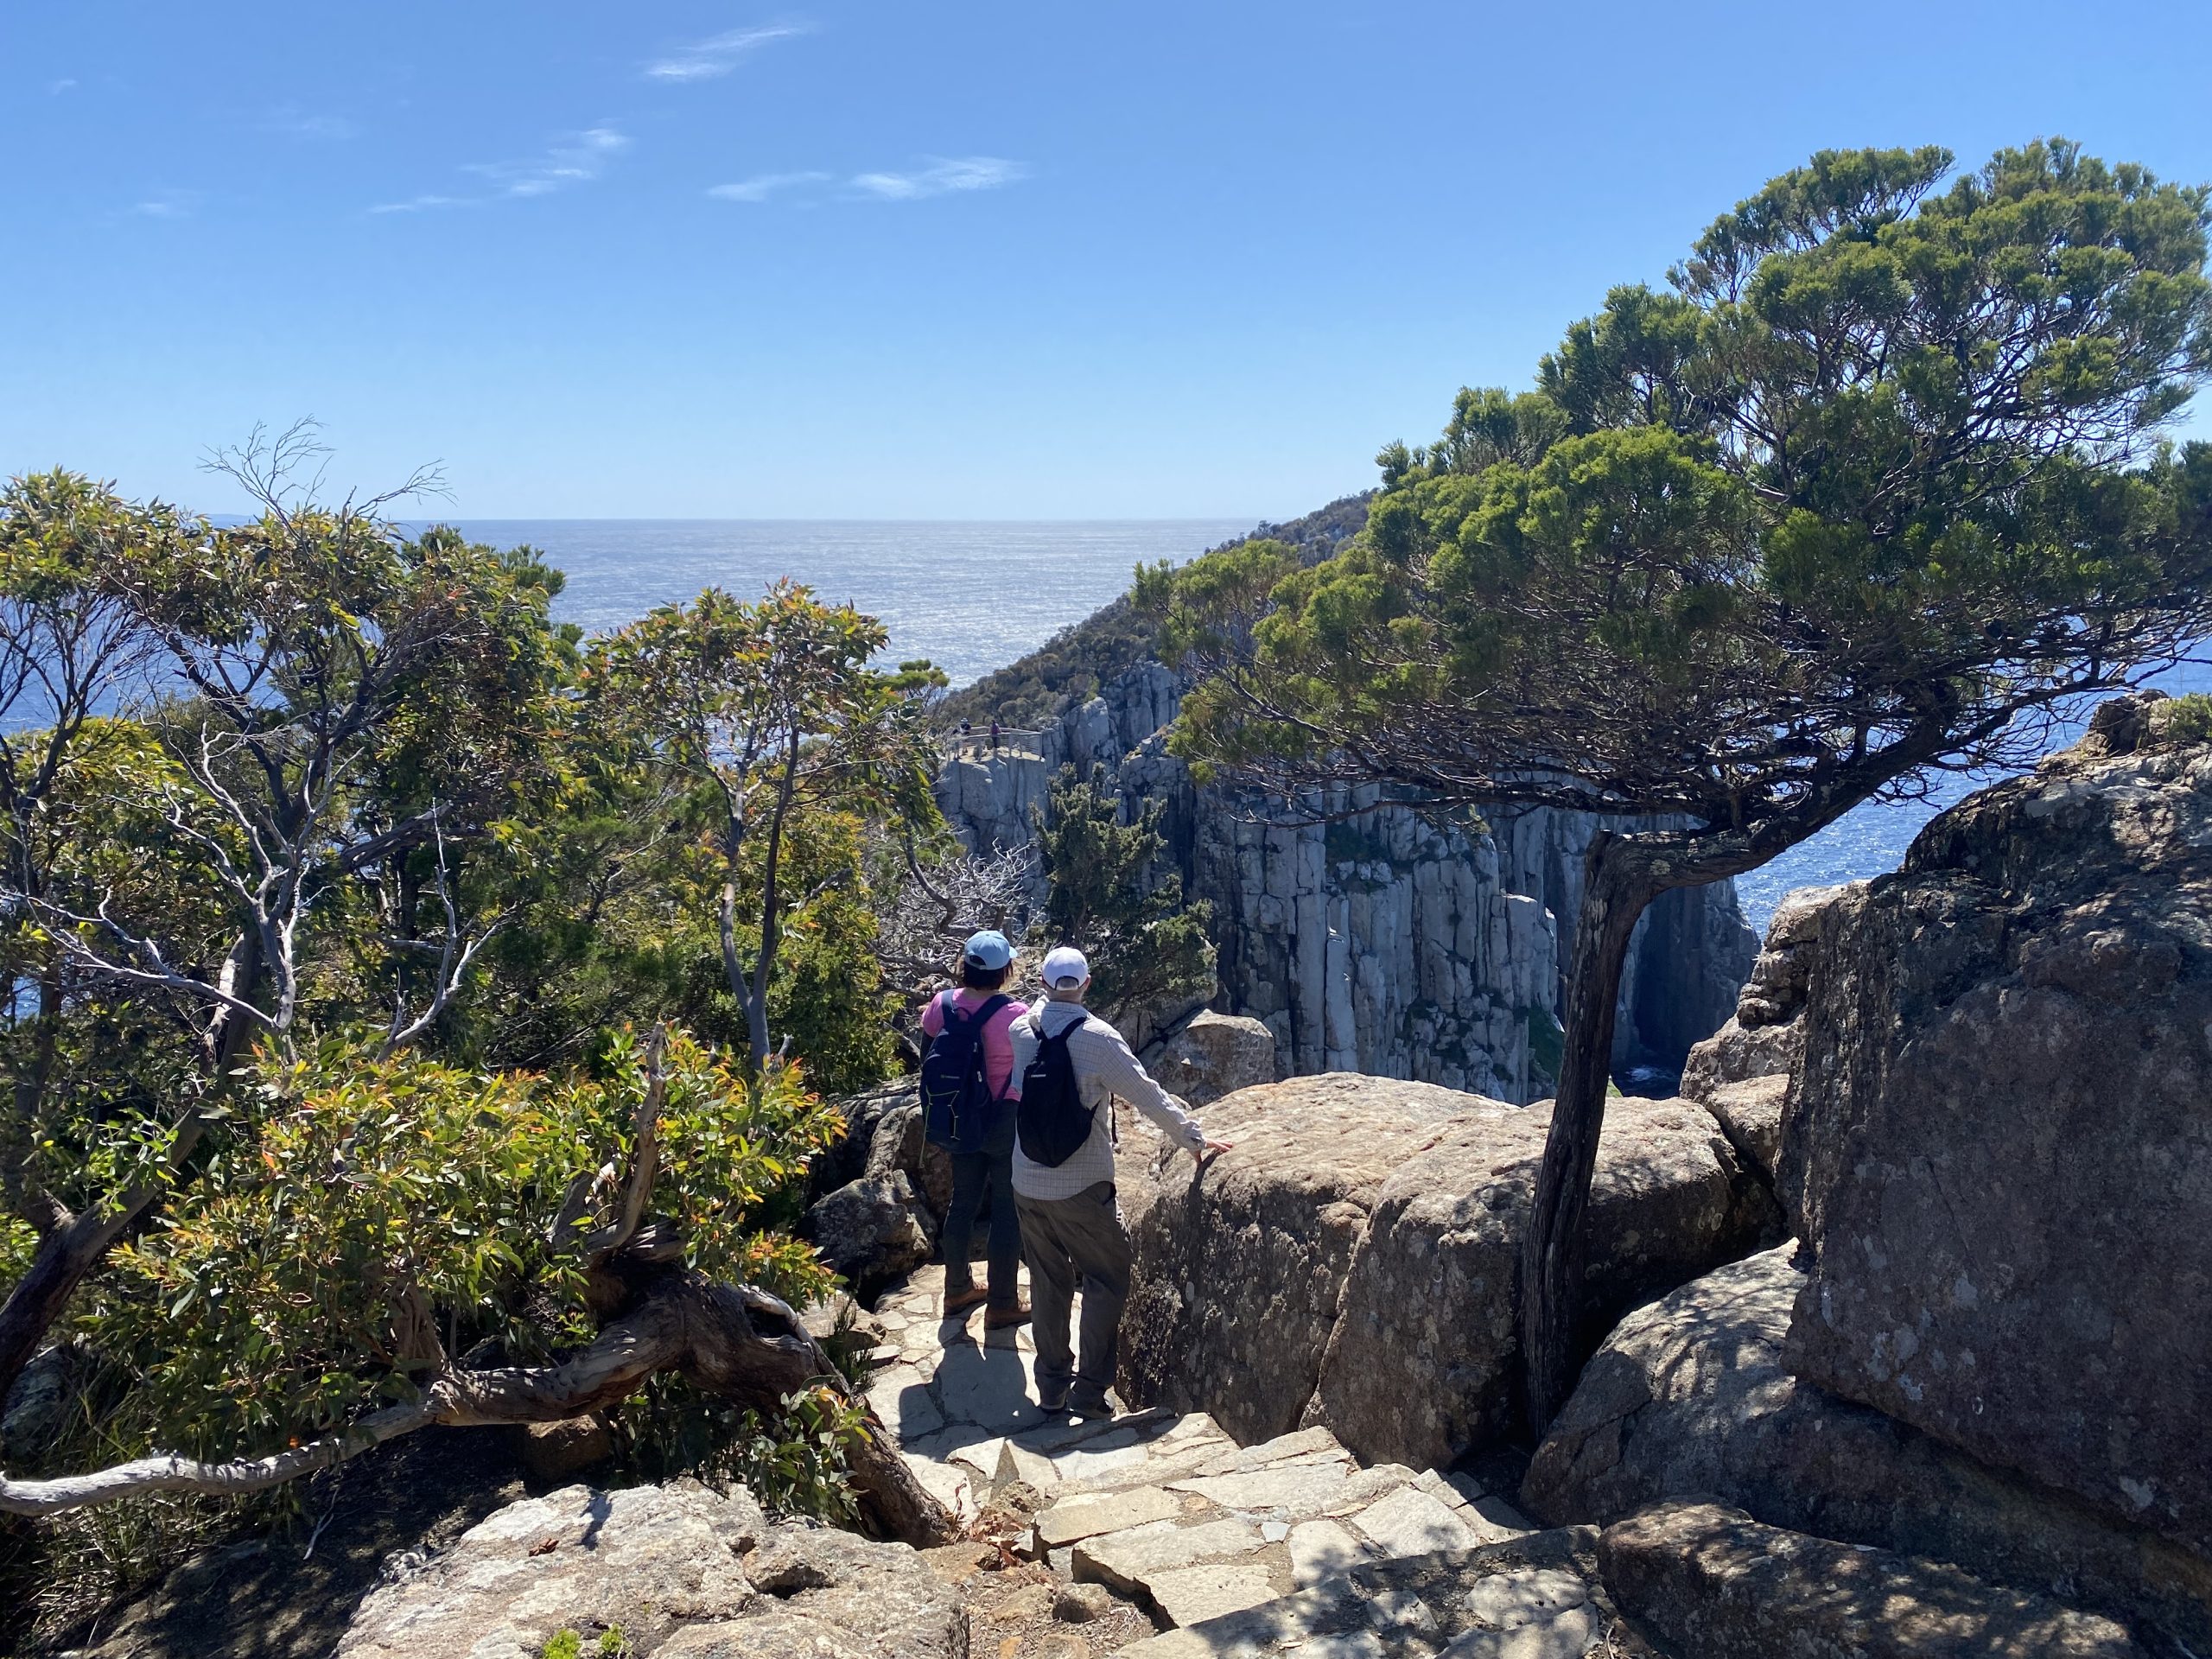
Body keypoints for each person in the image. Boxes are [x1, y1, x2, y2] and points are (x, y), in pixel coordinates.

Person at [1007, 945, 1231, 1417]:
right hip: (1081, 1186)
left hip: (1027, 1179)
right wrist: (1193, 1137)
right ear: (1087, 984)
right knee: (1107, 1277)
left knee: (1049, 1282)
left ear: (1043, 984)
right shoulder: (1098, 1038)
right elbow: (1146, 1095)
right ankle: (1089, 1393)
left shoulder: (1020, 1030)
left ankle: (1050, 1388)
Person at [917, 930, 1030, 1326]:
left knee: (961, 1204)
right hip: (1003, 1118)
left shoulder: (941, 1004)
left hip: (958, 1116)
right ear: (1004, 972)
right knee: (1006, 1211)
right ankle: (1002, 1303)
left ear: (964, 966)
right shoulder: (1017, 1015)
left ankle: (956, 1289)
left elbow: (927, 1049)